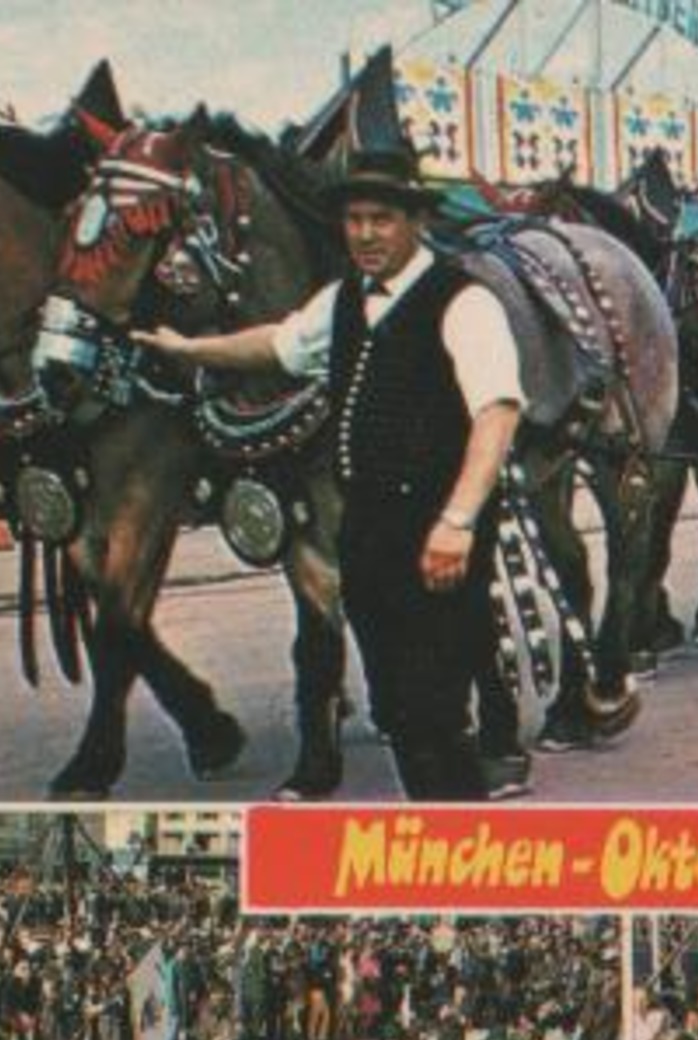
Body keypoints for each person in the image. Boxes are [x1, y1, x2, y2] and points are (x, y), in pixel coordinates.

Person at [134, 146, 525, 803]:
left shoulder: (463, 302)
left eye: (382, 219)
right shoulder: (343, 300)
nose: (366, 234)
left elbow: (497, 413)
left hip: (437, 534)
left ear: (414, 223)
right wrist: (189, 348)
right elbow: (278, 344)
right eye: (354, 220)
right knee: (397, 712)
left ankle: (460, 853)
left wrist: (457, 521)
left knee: (436, 714)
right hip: (368, 533)